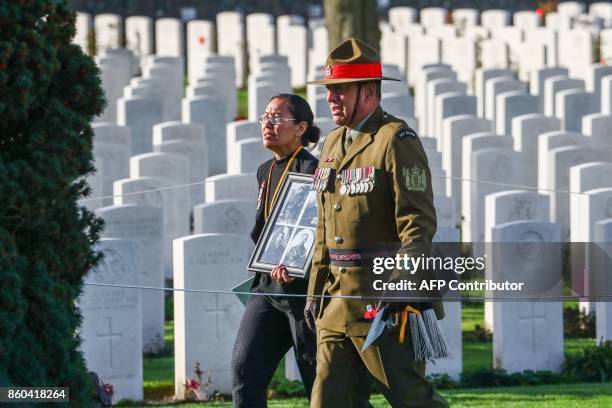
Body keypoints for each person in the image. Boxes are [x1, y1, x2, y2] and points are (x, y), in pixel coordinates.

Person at [304, 38, 449, 407]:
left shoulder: (395, 139)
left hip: (383, 301)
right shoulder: (333, 142)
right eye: (329, 91)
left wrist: (402, 285)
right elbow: (325, 224)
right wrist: (315, 291)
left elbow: (416, 223)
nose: (331, 98)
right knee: (328, 400)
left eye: (340, 90)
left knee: (410, 399)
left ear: (368, 91)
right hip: (337, 300)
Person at [231, 94, 320, 408]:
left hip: (305, 295)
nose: (267, 124)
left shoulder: (315, 171)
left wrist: (296, 261)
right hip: (268, 289)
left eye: (277, 118)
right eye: (265, 117)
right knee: (245, 373)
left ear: (300, 128)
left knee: (323, 388)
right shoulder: (264, 171)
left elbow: (321, 232)